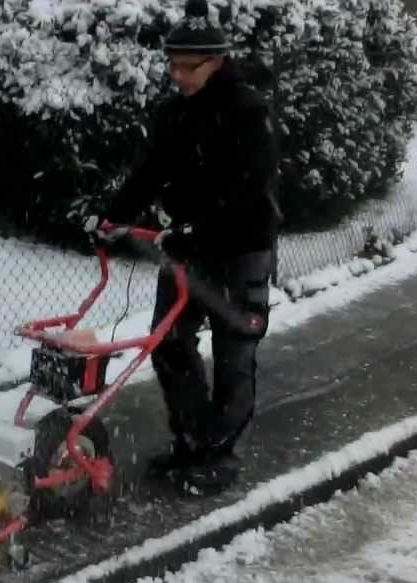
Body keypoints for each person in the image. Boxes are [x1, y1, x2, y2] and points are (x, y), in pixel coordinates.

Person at [89, 0, 282, 491]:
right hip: (187, 252)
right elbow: (150, 172)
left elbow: (249, 187)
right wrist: (113, 218)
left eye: (186, 66)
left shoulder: (247, 111)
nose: (176, 74)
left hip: (241, 250)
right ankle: (194, 440)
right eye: (171, 64)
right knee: (169, 345)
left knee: (234, 354)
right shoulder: (175, 113)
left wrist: (198, 230)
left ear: (216, 61)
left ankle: (218, 455)